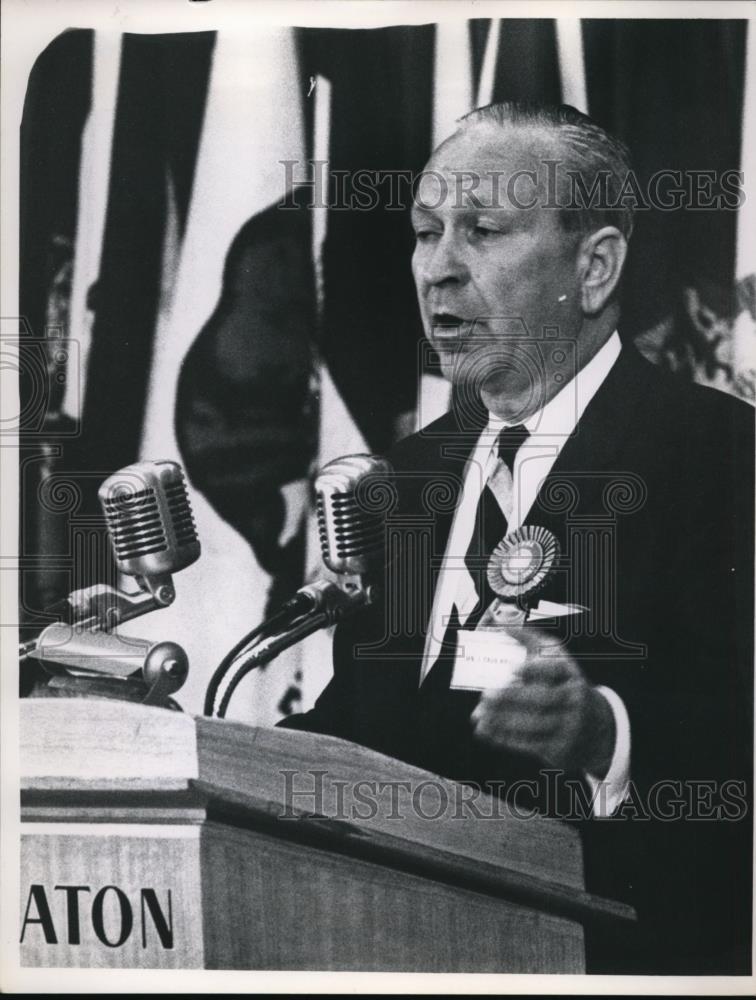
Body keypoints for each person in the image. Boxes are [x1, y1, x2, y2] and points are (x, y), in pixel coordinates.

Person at [280, 101, 754, 974]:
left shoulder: (720, 459)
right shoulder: (409, 479)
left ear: (596, 266)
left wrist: (600, 738)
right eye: (426, 233)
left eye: (484, 230)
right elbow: (373, 736)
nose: (438, 271)